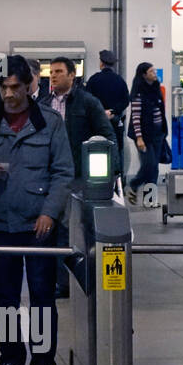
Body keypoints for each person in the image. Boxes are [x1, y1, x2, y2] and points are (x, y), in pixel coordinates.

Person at [0, 54, 74, 365]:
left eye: (16, 87)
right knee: (6, 296)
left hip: (38, 225)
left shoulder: (50, 124)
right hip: (0, 223)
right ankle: (11, 358)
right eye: (4, 87)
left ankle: (43, 361)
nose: (10, 94)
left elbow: (63, 172)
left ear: (29, 86)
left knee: (43, 294)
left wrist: (50, 212)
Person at [47, 56, 116, 298]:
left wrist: (111, 171)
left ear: (71, 75)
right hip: (49, 176)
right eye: (51, 72)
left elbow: (107, 136)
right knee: (52, 228)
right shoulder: (45, 104)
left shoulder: (87, 103)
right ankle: (57, 278)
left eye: (58, 72)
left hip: (76, 175)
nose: (53, 76)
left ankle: (67, 282)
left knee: (72, 228)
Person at [85, 49, 131, 182]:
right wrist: (113, 112)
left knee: (96, 149)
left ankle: (97, 181)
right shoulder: (120, 81)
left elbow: (87, 100)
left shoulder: (94, 80)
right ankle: (118, 182)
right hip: (116, 122)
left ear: (101, 63)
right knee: (117, 151)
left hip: (96, 123)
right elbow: (126, 100)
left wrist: (101, 112)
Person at [126, 62, 168, 206]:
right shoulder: (138, 93)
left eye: (154, 71)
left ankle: (150, 199)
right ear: (144, 75)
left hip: (158, 134)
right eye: (151, 71)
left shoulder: (156, 89)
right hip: (144, 136)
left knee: (154, 167)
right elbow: (136, 117)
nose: (155, 74)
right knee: (148, 165)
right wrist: (139, 138)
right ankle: (133, 184)